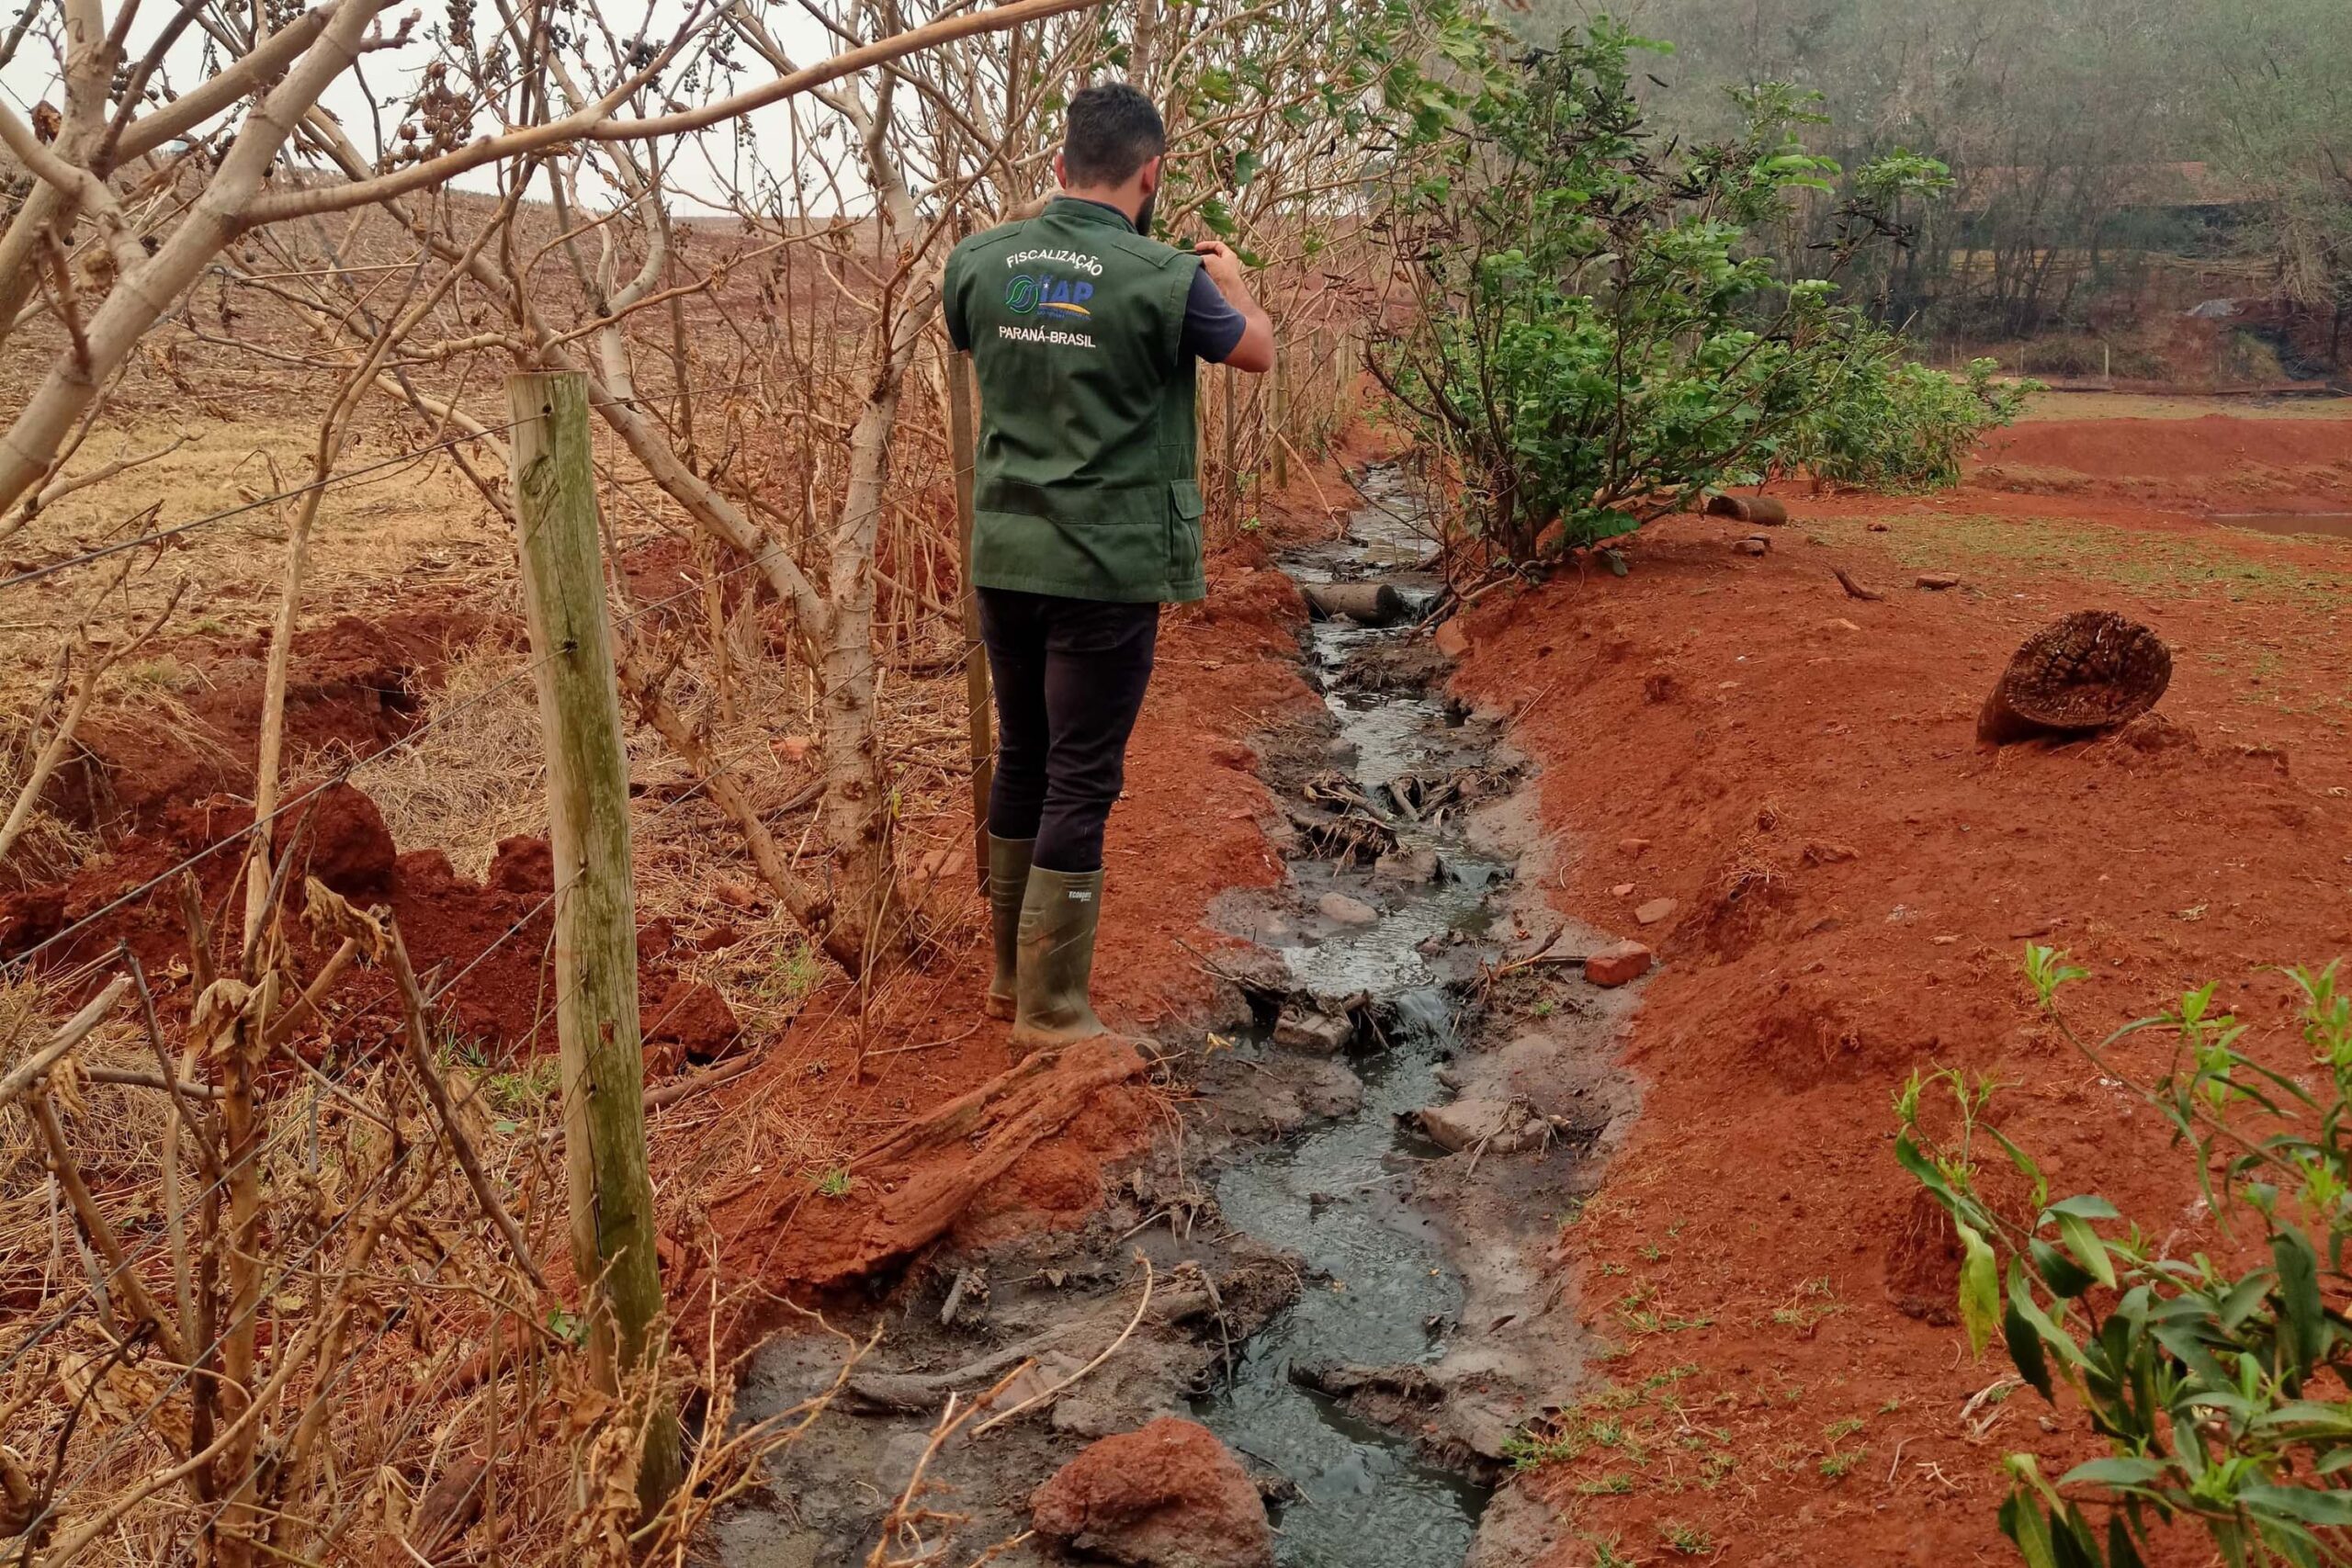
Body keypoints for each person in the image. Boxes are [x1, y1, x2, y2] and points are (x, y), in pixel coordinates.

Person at [942, 82, 1273, 1051]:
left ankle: (1010, 982)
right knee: (1082, 772)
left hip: (1006, 553)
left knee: (1025, 754)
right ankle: (1054, 1011)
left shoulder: (979, 260)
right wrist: (1237, 285)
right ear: (1151, 172)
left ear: (1057, 167)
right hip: (1107, 565)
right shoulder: (1167, 277)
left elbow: (978, 340)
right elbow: (1255, 354)